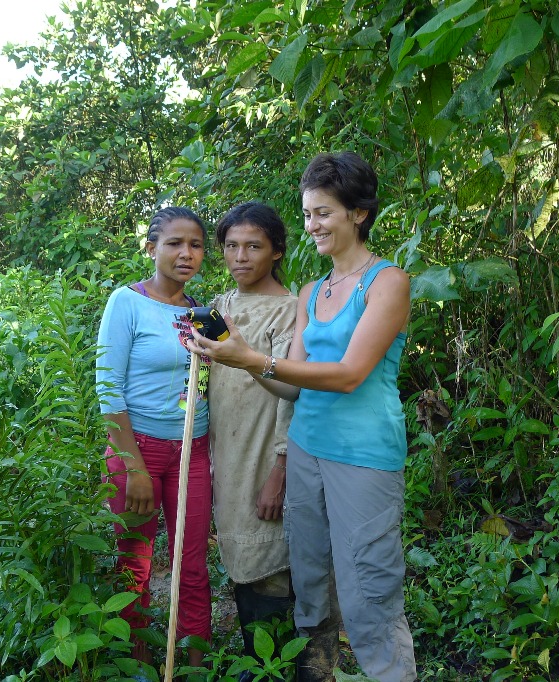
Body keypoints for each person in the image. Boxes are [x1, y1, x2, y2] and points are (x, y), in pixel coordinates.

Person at [188, 153, 417, 682]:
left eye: (323, 212)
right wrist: (236, 355)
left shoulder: (387, 283)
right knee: (310, 585)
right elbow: (290, 383)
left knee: (369, 589)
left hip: (363, 455)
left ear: (358, 214)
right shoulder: (312, 293)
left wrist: (254, 360)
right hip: (309, 450)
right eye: (308, 213)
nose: (312, 224)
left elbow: (349, 373)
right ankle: (318, 673)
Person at [207, 202, 340, 681]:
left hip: (268, 453)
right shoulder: (220, 307)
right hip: (230, 455)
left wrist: (281, 468)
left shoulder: (289, 311)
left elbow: (294, 396)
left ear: (277, 251)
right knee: (243, 557)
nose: (241, 257)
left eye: (254, 247)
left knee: (274, 559)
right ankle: (258, 661)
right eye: (231, 247)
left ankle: (291, 665)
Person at [96, 206, 212, 675]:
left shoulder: (202, 313)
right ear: (151, 248)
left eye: (196, 245)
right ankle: (138, 662)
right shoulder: (126, 302)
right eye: (174, 244)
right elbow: (108, 386)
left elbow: (215, 379)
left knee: (192, 563)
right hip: (137, 449)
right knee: (135, 564)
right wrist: (133, 466)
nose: (187, 254)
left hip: (195, 451)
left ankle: (196, 664)